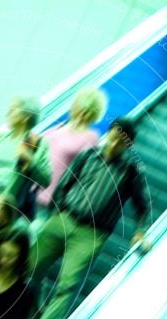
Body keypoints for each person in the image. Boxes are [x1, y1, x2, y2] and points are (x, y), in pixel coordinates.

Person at [27, 117, 151, 319]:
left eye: (121, 142)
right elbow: (65, 183)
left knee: (68, 284)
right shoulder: (87, 155)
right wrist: (59, 210)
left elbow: (143, 206)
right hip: (63, 219)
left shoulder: (131, 172)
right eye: (113, 137)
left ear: (128, 146)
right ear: (109, 134)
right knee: (30, 269)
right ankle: (29, 315)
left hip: (91, 234)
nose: (114, 144)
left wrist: (140, 232)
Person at [35, 88, 107, 224]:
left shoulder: (91, 138)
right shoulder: (61, 127)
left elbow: (84, 173)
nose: (72, 105)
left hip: (51, 199)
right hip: (31, 189)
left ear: (84, 109)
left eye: (76, 102)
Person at [0, 96, 52, 220]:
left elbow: (46, 180)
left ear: (25, 117)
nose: (7, 113)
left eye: (12, 110)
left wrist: (30, 161)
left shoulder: (36, 144)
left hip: (3, 207)